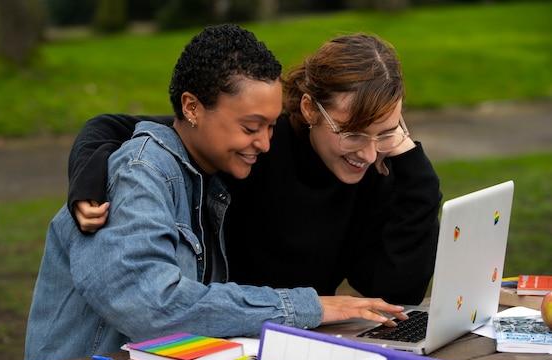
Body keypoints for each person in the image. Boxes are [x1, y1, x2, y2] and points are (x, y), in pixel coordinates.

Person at [24, 25, 407, 360]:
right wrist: (309, 306)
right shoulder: (142, 174)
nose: (265, 144)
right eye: (251, 127)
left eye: (271, 127)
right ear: (192, 107)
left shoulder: (211, 174)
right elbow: (152, 307)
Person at [68, 33, 442, 305]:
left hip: (299, 338)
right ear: (311, 109)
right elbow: (110, 127)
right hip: (223, 329)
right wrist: (87, 184)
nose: (367, 151)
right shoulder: (255, 142)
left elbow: (396, 289)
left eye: (386, 133)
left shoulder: (374, 165)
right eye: (353, 133)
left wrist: (414, 168)